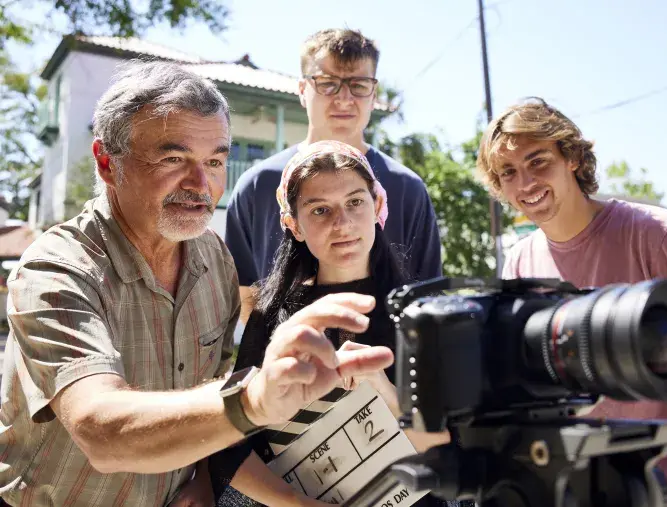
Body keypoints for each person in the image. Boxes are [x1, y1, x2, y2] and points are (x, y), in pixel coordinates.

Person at [0, 61, 393, 507]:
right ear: (108, 163)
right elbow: (101, 430)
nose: (201, 184)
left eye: (215, 161)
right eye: (173, 159)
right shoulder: (56, 269)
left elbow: (208, 385)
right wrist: (252, 400)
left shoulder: (214, 259)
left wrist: (205, 475)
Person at [475, 97, 667, 507]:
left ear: (572, 158)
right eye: (508, 172)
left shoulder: (659, 234)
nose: (525, 182)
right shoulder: (518, 261)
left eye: (538, 161)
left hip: (664, 493)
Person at [208, 141, 451, 507]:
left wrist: (381, 386)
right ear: (294, 225)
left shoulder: (420, 316)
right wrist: (294, 503)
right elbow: (229, 444)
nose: (342, 223)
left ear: (378, 206)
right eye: (320, 210)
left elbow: (446, 456)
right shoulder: (270, 316)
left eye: (355, 202)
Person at [225, 28, 442, 323]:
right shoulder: (256, 184)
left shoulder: (409, 188)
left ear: (373, 94)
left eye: (359, 85)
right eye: (327, 83)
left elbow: (427, 294)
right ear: (303, 90)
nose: (343, 98)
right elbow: (246, 291)